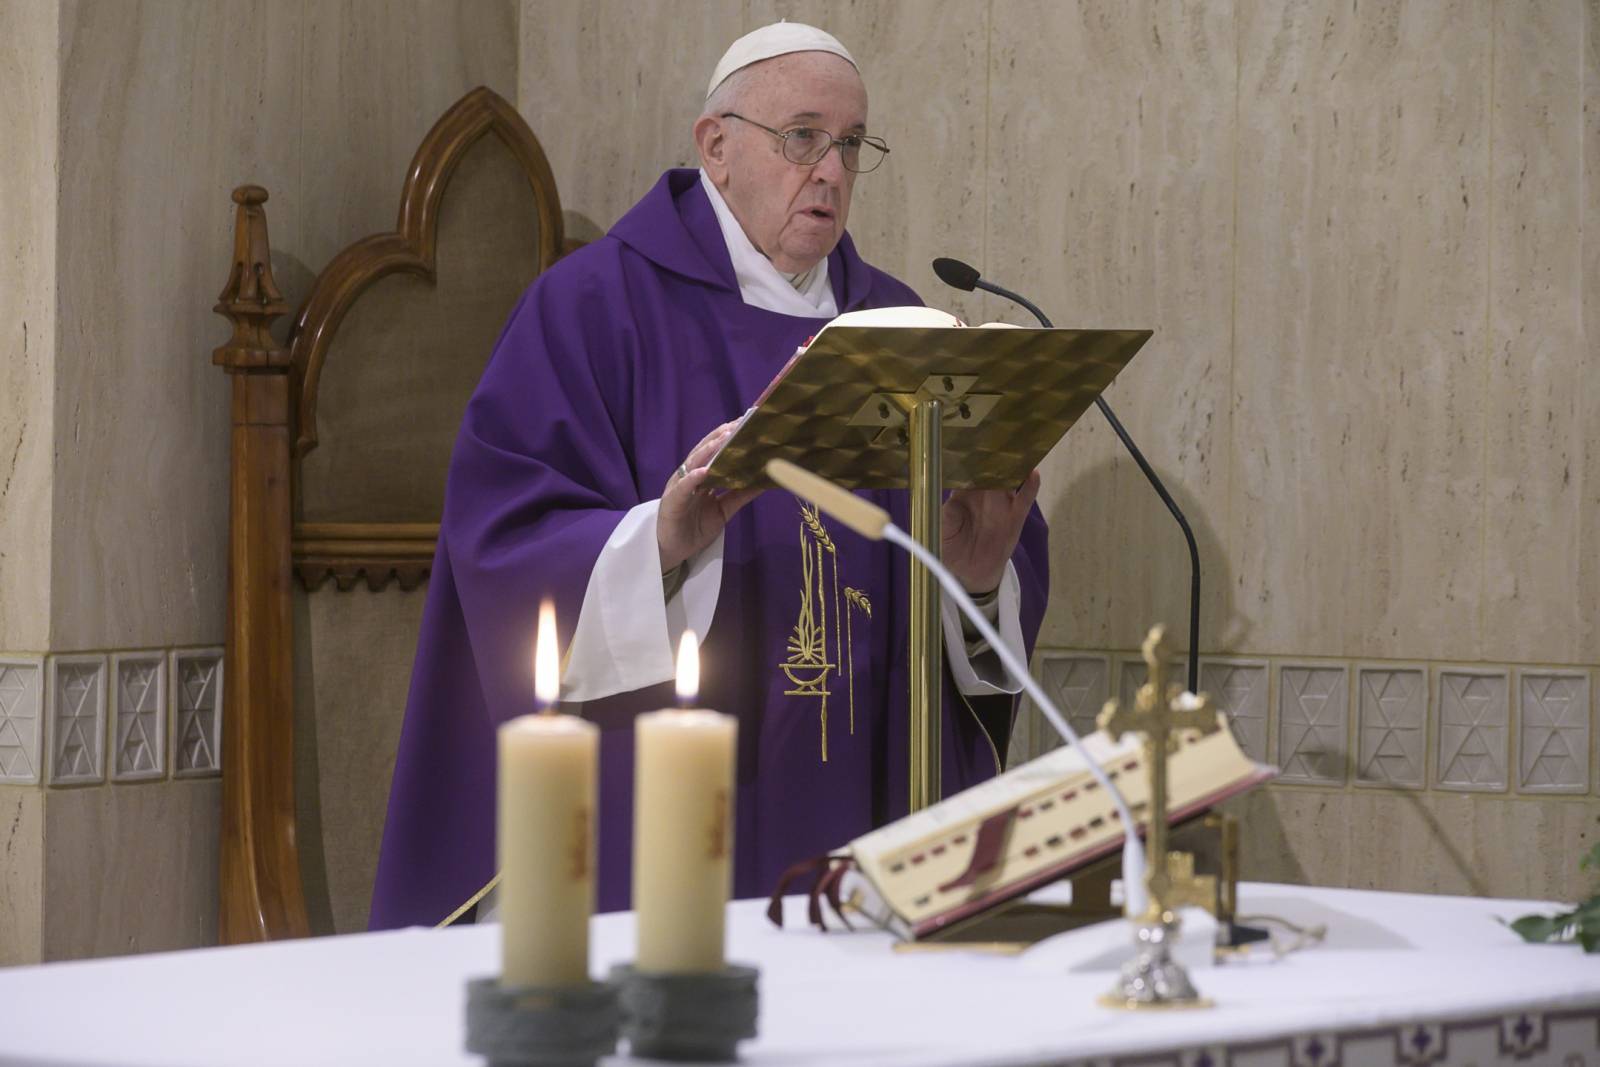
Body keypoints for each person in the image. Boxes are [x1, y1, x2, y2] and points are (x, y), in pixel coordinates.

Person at [369, 22, 1049, 929]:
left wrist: (979, 574)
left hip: (870, 805)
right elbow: (502, 541)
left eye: (851, 144)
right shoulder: (592, 307)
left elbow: (983, 574)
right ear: (715, 145)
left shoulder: (902, 327)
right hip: (657, 828)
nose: (833, 171)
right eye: (803, 136)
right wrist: (660, 538)